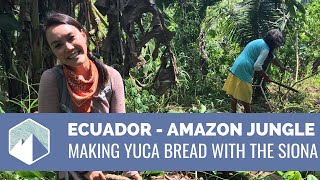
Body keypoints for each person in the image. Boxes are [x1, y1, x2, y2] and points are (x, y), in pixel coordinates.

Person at [38, 12, 141, 180]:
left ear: (83, 35)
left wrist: (129, 170)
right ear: (53, 52)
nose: (68, 47)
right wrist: (85, 170)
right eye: (58, 45)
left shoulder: (112, 76)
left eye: (71, 38)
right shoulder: (52, 79)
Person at [223, 29, 291, 113]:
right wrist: (265, 76)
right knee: (246, 98)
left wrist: (281, 66)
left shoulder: (259, 42)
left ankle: (232, 113)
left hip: (237, 65)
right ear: (273, 44)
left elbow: (272, 58)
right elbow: (257, 66)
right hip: (245, 68)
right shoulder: (265, 49)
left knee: (234, 94)